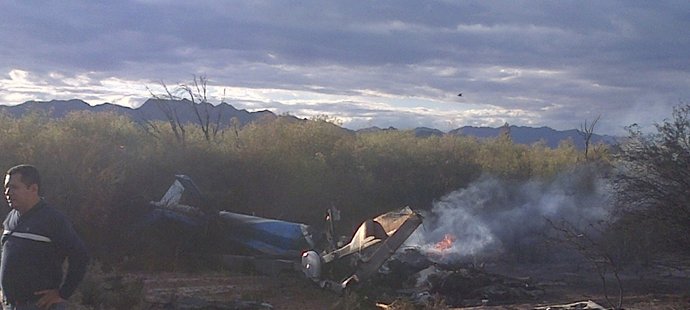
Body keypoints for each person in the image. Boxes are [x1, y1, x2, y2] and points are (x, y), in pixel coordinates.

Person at [0, 165, 89, 310]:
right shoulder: (11, 218)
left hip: (39, 305)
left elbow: (80, 255)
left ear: (33, 189)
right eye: (6, 188)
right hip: (10, 305)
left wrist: (63, 293)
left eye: (14, 187)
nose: (7, 193)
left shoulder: (52, 219)